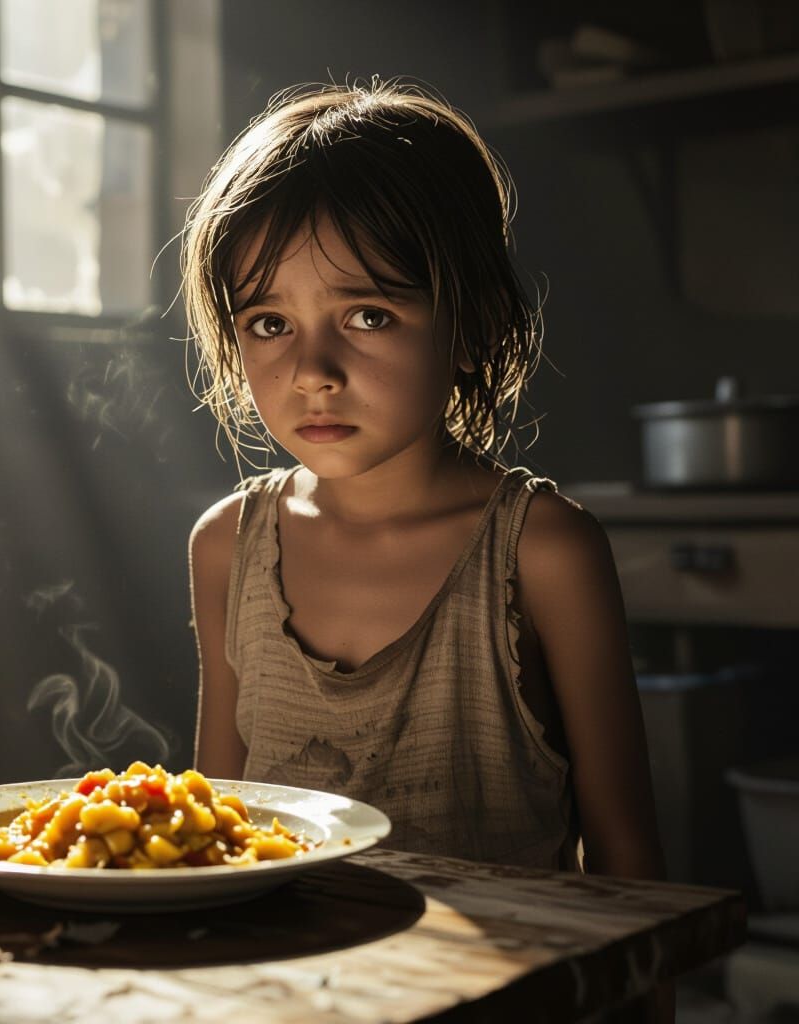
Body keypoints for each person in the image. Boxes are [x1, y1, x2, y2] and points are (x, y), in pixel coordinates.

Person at [182, 79, 672, 1020]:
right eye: (269, 323)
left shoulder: (542, 551)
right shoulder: (228, 546)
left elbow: (628, 865)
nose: (313, 371)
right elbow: (217, 828)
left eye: (367, 315)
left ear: (473, 326)